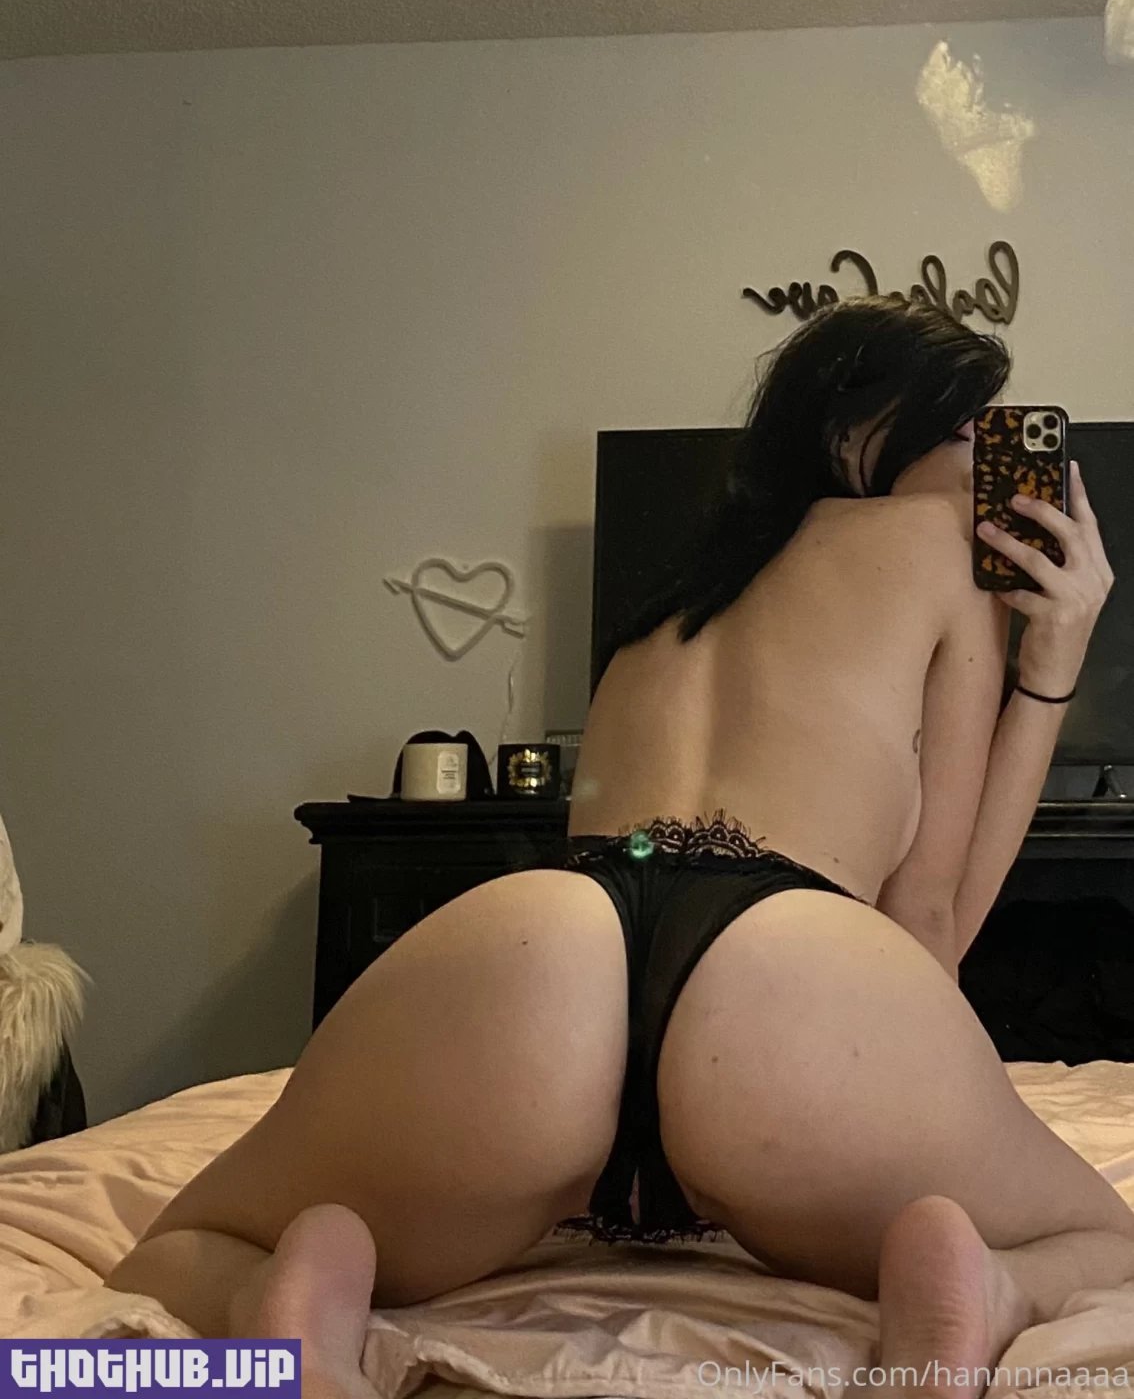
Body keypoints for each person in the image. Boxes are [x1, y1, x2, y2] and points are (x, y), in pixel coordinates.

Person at [109, 298, 1129, 1388]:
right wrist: (1053, 659)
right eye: (968, 433)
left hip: (547, 942)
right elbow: (926, 918)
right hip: (794, 972)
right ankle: (990, 1286)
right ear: (854, 435)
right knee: (1102, 1242)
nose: (990, 469)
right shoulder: (938, 547)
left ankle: (274, 1299)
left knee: (187, 1243)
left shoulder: (672, 594)